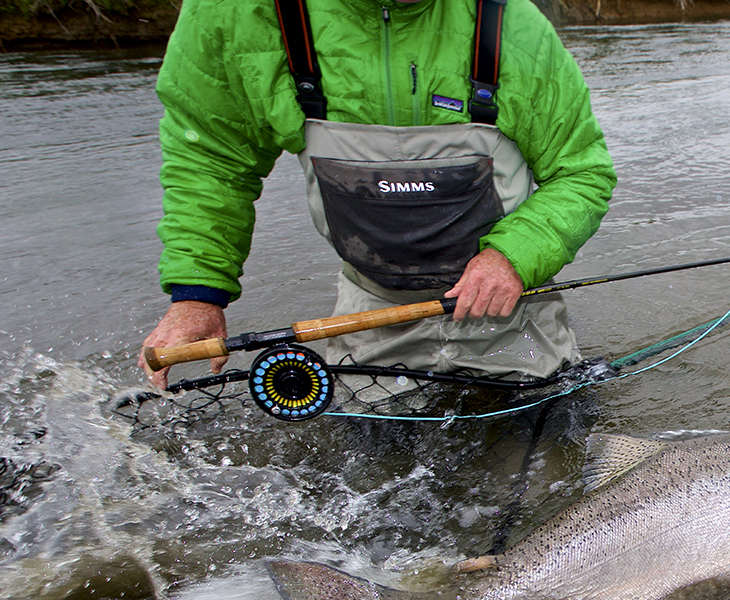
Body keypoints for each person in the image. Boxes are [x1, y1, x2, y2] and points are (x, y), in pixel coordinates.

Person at [140, 0, 616, 391]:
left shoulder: (514, 25)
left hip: (511, 312)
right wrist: (197, 295)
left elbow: (581, 172)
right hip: (369, 311)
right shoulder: (239, 14)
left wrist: (512, 257)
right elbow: (210, 161)